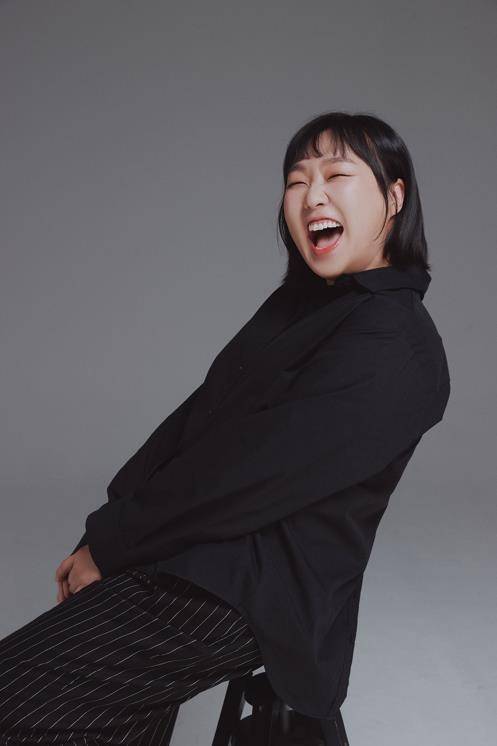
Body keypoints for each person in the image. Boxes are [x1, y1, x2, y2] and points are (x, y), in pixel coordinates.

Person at [0, 112, 450, 745]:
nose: (312, 196)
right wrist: (106, 530)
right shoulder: (306, 305)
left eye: (336, 175)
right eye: (296, 181)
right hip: (188, 553)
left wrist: (115, 543)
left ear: (394, 197)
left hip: (245, 592)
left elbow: (247, 476)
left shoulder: (396, 346)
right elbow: (200, 420)